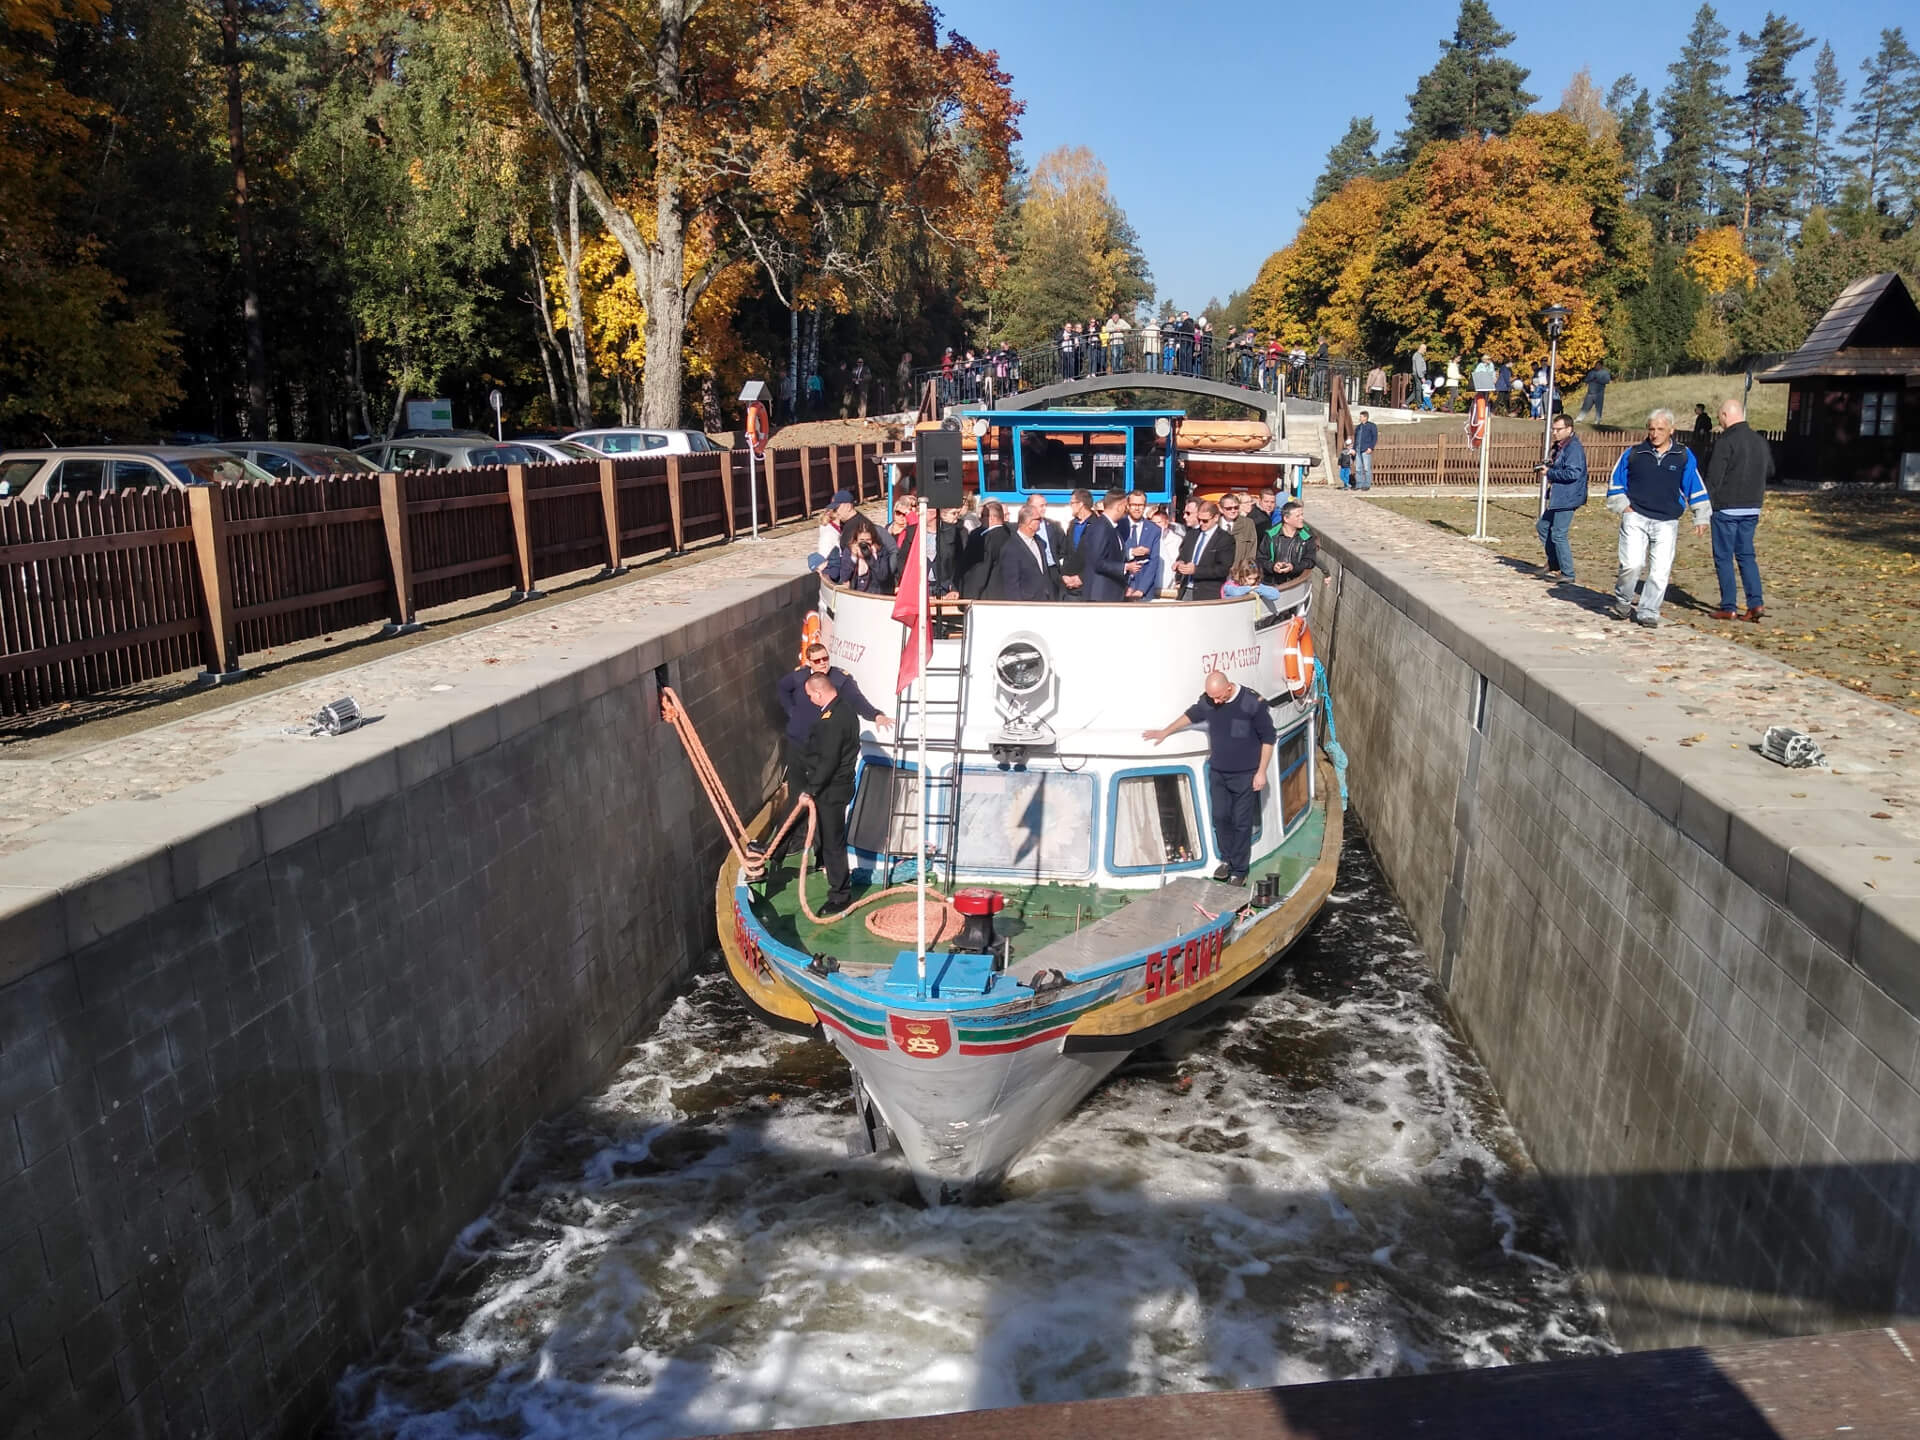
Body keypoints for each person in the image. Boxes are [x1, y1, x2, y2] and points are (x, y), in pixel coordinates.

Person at [1142, 669, 1275, 885]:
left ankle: (1239, 871)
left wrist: (1261, 772)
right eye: (1212, 697)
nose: (1215, 702)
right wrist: (1165, 731)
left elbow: (1268, 738)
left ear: (1228, 687)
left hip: (1245, 775)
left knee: (1241, 823)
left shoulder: (1252, 703)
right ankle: (1227, 860)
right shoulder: (1209, 701)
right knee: (1220, 817)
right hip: (1218, 772)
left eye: (1218, 697)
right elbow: (1191, 715)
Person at [1607, 408, 1711, 628]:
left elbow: (1694, 485)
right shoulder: (1634, 454)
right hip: (1635, 516)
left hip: (1667, 521)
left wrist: (1701, 516)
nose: (1655, 434)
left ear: (1671, 430)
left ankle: (1648, 611)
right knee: (1632, 565)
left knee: (1660, 570)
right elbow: (1616, 482)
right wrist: (1624, 507)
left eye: (1660, 429)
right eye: (1651, 429)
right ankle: (1623, 601)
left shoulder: (1683, 455)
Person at [799, 672, 862, 913]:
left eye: (810, 695)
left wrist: (811, 789)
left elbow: (829, 759)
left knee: (832, 843)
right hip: (838, 785)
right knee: (829, 839)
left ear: (819, 692)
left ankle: (840, 895)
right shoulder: (846, 709)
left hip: (831, 789)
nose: (810, 699)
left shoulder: (833, 719)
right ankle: (774, 852)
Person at [1704, 397, 1771, 621]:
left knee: (1724, 557)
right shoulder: (1760, 441)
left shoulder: (1725, 442)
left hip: (1726, 508)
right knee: (1746, 555)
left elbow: (1714, 477)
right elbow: (1771, 470)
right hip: (1752, 507)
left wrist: (1705, 505)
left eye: (1719, 418)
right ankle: (1755, 603)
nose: (1719, 422)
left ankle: (1729, 606)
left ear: (1725, 415)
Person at [1532, 413, 1587, 581]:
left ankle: (1567, 573)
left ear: (1569, 429)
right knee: (1543, 526)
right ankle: (1554, 562)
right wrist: (1549, 464)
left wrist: (1550, 473)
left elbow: (1573, 473)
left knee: (1558, 534)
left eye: (1558, 429)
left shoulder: (1573, 448)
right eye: (1553, 429)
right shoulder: (1560, 446)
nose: (1554, 432)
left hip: (1568, 496)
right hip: (1559, 496)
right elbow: (1560, 465)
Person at [991, 499, 1058, 601]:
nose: (1041, 521)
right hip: (1026, 603)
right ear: (1029, 522)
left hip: (1045, 600)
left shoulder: (1039, 542)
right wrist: (1019, 606)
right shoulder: (1011, 548)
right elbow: (1011, 585)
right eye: (1038, 519)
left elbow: (1045, 575)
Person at [1174, 501, 1233, 600]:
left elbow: (1223, 569)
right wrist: (1179, 563)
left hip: (1208, 593)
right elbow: (1183, 556)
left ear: (1216, 518)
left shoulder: (1225, 539)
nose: (1201, 523)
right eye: (1199, 519)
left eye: (1205, 521)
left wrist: (1196, 570)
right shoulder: (1191, 534)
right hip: (1186, 590)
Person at [1257, 499, 1323, 585]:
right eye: (1298, 516)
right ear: (1286, 518)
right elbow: (1260, 559)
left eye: (1302, 515)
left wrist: (1293, 567)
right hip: (1273, 583)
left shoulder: (1307, 536)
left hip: (1297, 583)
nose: (1302, 518)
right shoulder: (1271, 535)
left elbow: (1310, 560)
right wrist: (1273, 566)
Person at [823, 515, 893, 592]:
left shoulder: (880, 551)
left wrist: (870, 558)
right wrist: (853, 557)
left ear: (873, 539)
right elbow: (844, 577)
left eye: (868, 540)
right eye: (862, 540)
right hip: (855, 591)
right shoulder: (850, 550)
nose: (865, 543)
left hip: (875, 592)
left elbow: (883, 576)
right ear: (856, 539)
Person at [959, 500, 1009, 599]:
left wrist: (969, 597)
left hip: (987, 597)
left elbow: (980, 572)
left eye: (982, 516)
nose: (980, 519)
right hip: (1006, 596)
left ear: (992, 518)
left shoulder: (987, 539)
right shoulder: (1009, 536)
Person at [1218, 491, 1256, 569]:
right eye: (1229, 508)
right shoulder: (1214, 523)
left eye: (1236, 507)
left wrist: (1248, 569)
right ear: (1221, 509)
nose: (1233, 511)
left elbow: (1252, 550)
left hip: (1239, 571)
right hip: (1217, 572)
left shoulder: (1248, 523)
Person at [1352, 410, 1378, 491]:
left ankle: (1367, 484)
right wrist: (1354, 449)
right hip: (1358, 449)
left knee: (1366, 468)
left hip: (1366, 449)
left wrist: (1371, 447)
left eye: (1361, 416)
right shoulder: (1358, 427)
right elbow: (1356, 439)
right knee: (1358, 468)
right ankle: (1359, 484)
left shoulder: (1371, 426)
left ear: (1365, 417)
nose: (1359, 418)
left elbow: (1374, 437)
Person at [1411, 344, 1432, 410]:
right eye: (1425, 349)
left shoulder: (1418, 355)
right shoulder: (1418, 356)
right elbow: (1418, 368)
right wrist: (1422, 377)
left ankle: (1406, 403)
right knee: (1419, 390)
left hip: (1418, 375)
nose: (1425, 351)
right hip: (1418, 375)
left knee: (1416, 391)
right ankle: (1419, 405)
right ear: (1421, 348)